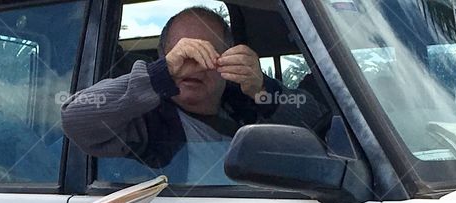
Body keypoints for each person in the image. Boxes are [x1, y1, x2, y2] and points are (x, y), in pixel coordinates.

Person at [60, 6, 328, 182]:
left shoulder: (243, 103)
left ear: (229, 60)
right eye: (183, 53)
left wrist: (263, 90)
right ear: (163, 58)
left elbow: (318, 127)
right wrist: (158, 76)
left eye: (208, 53)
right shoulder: (146, 121)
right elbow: (75, 118)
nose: (194, 65)